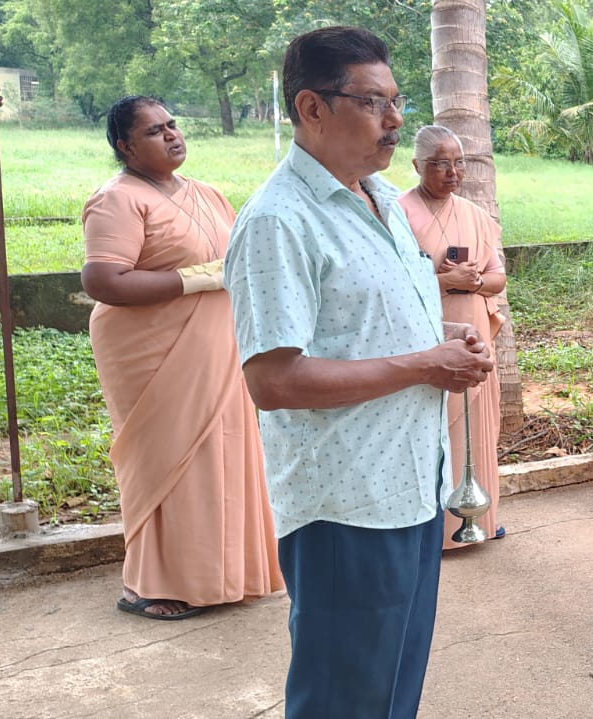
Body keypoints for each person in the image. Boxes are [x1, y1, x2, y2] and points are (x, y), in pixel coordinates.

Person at [224, 27, 495, 719]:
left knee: (392, 689)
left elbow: (367, 325)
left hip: (409, 485)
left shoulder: (379, 201)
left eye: (396, 100)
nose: (396, 120)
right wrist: (424, 362)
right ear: (312, 107)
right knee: (343, 697)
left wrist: (444, 337)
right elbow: (274, 379)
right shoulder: (280, 221)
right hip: (344, 505)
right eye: (374, 102)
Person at [80, 96, 283, 621]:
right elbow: (104, 280)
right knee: (167, 459)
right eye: (154, 131)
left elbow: (239, 258)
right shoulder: (118, 199)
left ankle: (226, 574)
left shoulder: (208, 193)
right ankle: (148, 585)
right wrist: (197, 280)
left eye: (172, 124)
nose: (171, 135)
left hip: (218, 346)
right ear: (124, 146)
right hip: (150, 352)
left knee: (223, 452)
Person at [398, 125, 508, 549]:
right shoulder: (399, 211)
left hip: (475, 333)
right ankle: (437, 533)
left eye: (458, 163)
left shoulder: (475, 214)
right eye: (440, 164)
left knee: (476, 430)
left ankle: (481, 518)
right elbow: (393, 282)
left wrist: (473, 282)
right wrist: (443, 281)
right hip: (426, 337)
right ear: (417, 166)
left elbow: (498, 279)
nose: (451, 172)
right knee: (434, 430)